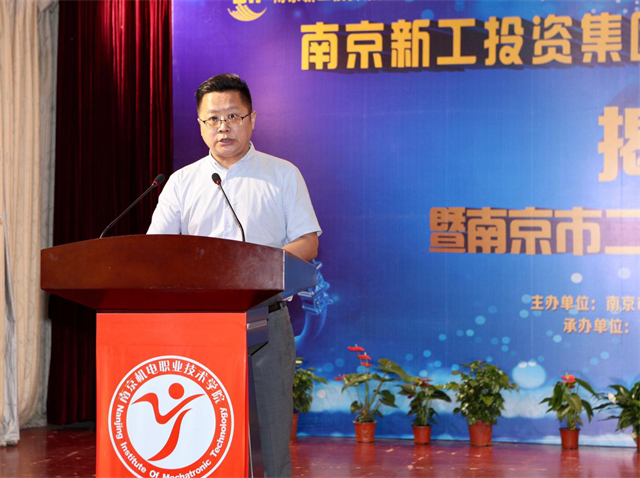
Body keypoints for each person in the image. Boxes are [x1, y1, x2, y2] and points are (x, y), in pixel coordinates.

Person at [147, 73, 321, 477]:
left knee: (270, 436)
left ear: (252, 119)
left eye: (232, 116)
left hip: (265, 319)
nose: (222, 127)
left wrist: (254, 268)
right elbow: (157, 251)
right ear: (200, 125)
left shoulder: (282, 174)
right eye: (212, 119)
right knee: (198, 430)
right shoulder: (181, 182)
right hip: (196, 323)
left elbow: (307, 243)